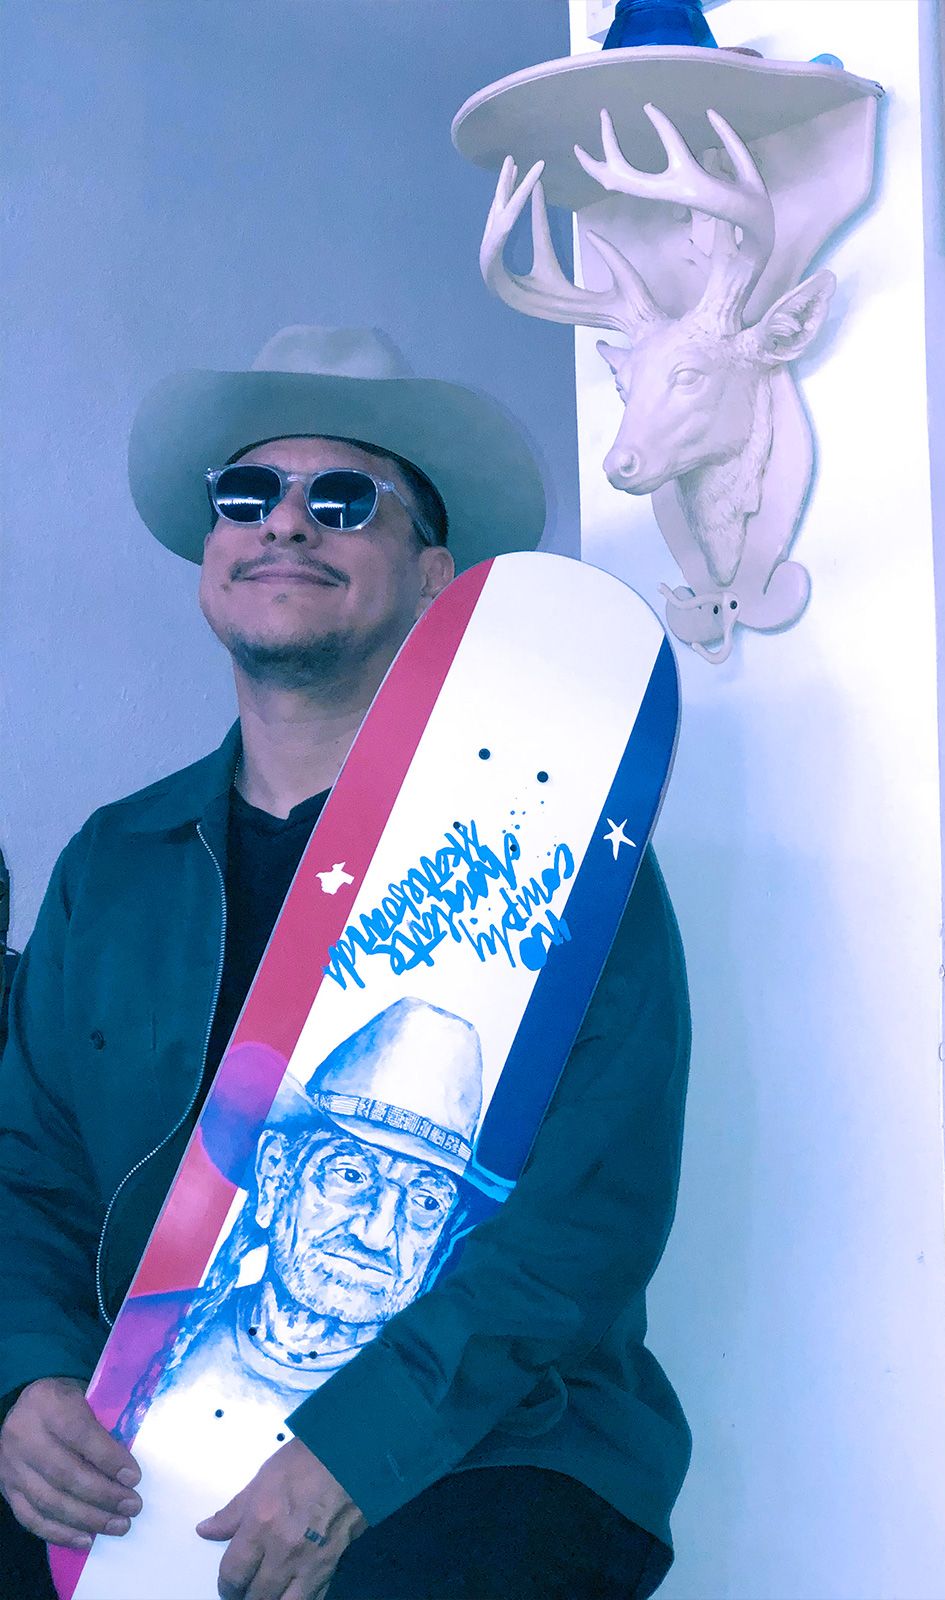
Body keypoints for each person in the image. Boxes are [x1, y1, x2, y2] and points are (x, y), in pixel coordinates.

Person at [0, 328, 691, 1600]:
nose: (286, 527)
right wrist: (32, 1376)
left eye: (343, 500)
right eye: (247, 497)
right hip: (148, 1426)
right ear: (212, 561)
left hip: (500, 1442)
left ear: (434, 577)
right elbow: (26, 1171)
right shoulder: (114, 865)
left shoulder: (568, 860)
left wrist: (354, 1457)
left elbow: (584, 1229)